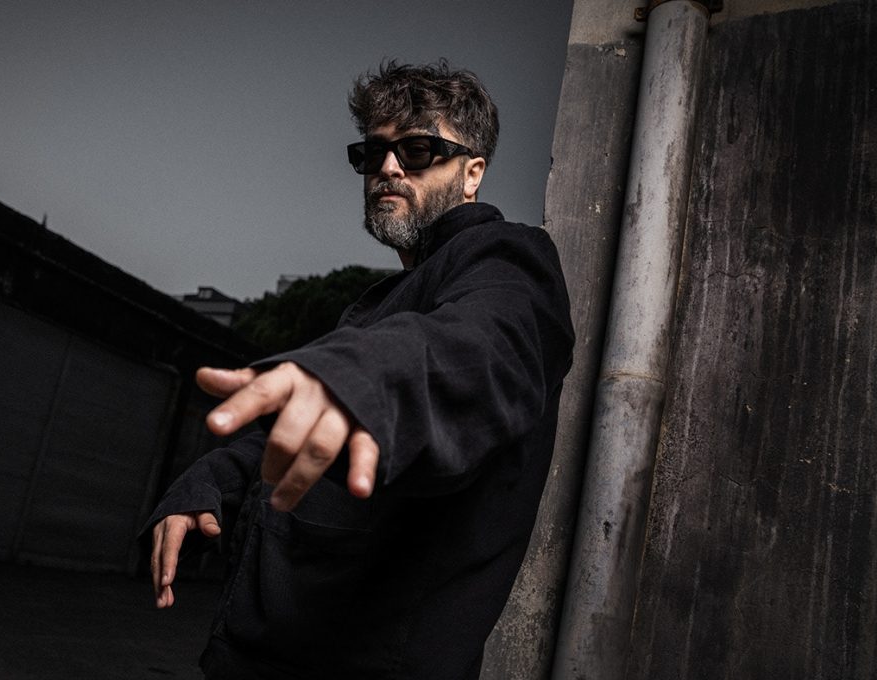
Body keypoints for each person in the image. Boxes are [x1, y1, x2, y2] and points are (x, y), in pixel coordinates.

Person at [146, 60, 574, 680]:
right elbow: (293, 445)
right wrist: (210, 480)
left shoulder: (506, 259)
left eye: (418, 150)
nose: (389, 168)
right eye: (373, 153)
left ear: (472, 172)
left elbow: (480, 346)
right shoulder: (383, 304)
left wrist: (356, 379)